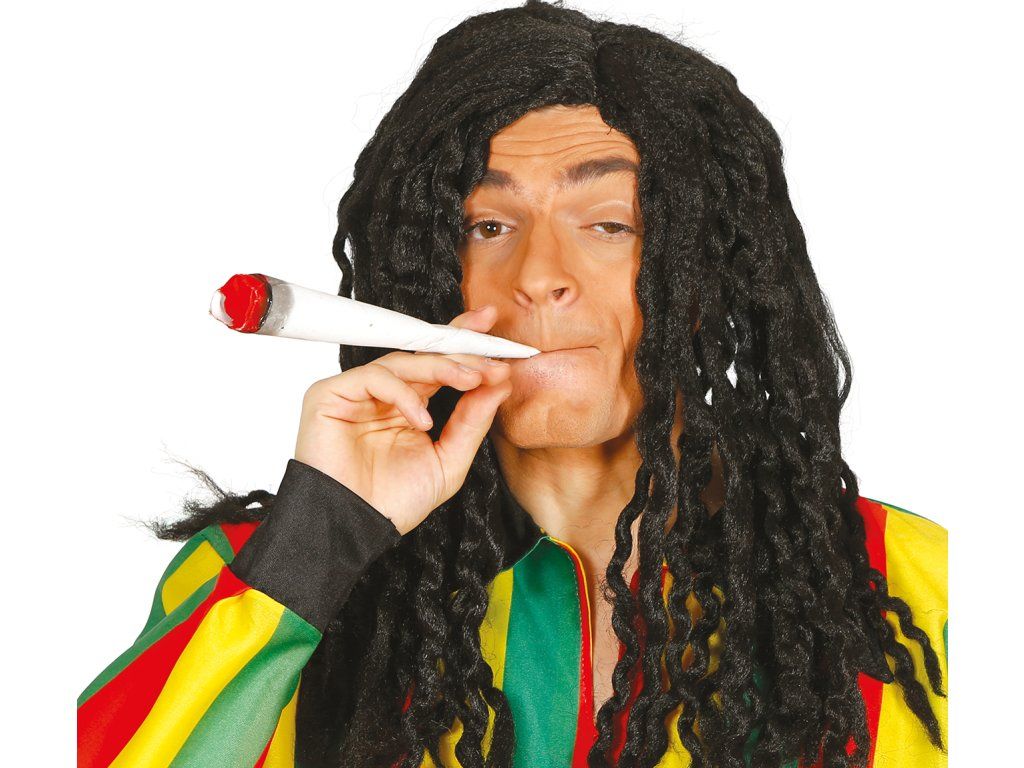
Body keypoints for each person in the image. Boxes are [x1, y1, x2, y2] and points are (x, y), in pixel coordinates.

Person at [76, 2, 948, 767]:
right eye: (488, 225)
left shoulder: (924, 582)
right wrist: (320, 541)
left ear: (704, 273)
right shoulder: (263, 577)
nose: (536, 275)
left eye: (608, 223)